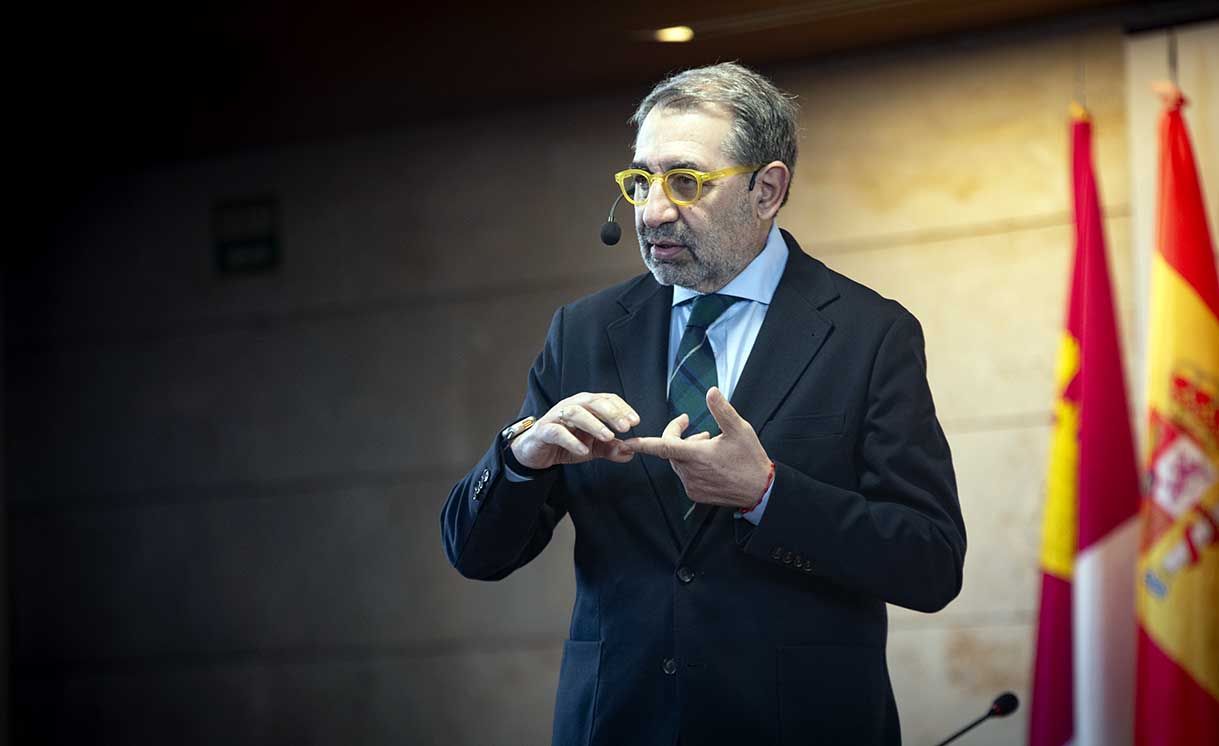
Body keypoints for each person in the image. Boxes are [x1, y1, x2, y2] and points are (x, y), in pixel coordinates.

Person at [440, 62, 966, 746]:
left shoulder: (868, 334)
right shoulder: (584, 332)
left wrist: (768, 494)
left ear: (766, 189)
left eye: (684, 181)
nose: (652, 211)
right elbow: (475, 553)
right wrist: (522, 458)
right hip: (618, 724)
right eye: (640, 181)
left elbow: (929, 564)